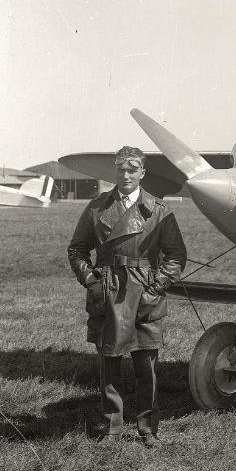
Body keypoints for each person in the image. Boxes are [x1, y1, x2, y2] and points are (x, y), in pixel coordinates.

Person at [67, 146, 187, 448]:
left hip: (145, 292)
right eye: (120, 168)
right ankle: (112, 430)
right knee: (109, 365)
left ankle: (148, 429)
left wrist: (155, 286)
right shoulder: (96, 208)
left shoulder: (159, 210)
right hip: (107, 290)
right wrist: (92, 279)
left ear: (142, 172)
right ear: (114, 171)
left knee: (146, 367)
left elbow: (176, 255)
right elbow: (77, 250)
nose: (126, 174)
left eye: (132, 169)